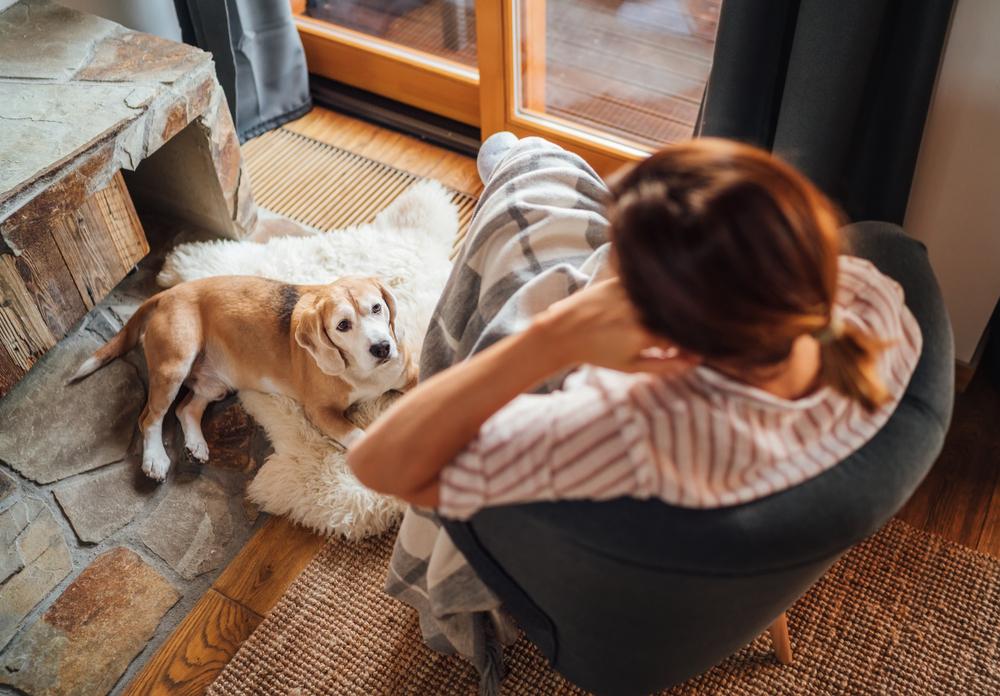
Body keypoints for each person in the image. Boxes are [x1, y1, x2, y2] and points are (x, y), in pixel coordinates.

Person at [347, 134, 921, 693]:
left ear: (671, 340)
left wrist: (554, 336)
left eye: (623, 278)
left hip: (607, 623)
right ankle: (520, 162)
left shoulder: (625, 429)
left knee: (527, 239)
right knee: (547, 202)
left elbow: (379, 463)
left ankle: (518, 164)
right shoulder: (875, 310)